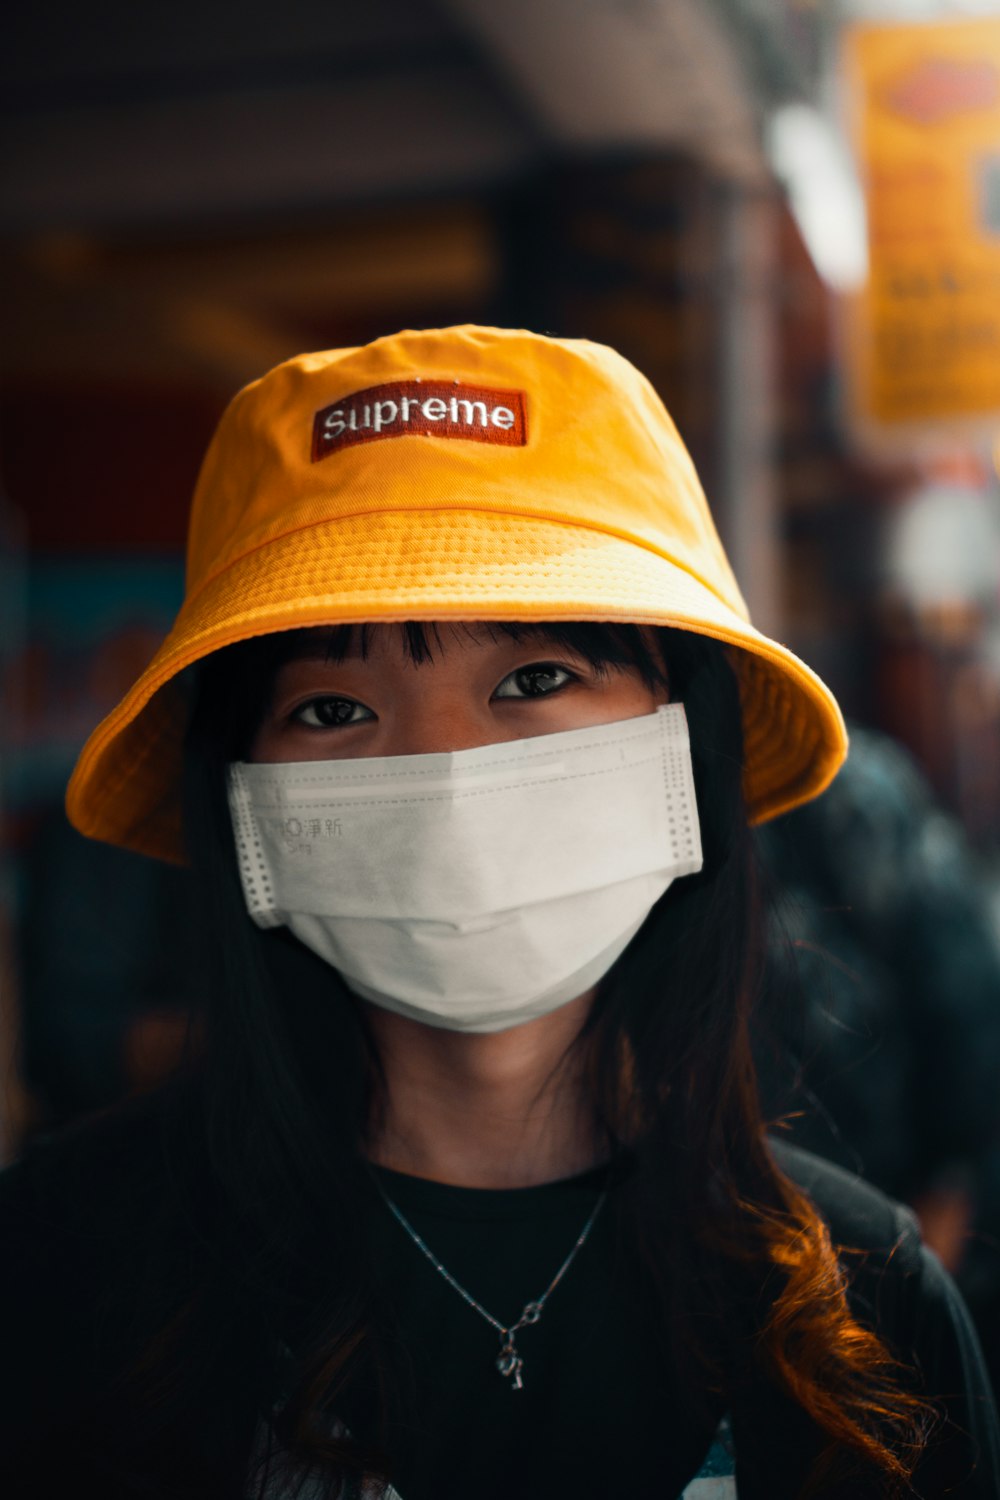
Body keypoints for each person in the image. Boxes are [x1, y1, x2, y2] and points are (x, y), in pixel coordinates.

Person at [2, 325, 997, 1500]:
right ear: (242, 802)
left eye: (532, 680)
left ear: (682, 745)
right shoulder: (58, 1268)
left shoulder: (867, 1305)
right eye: (330, 709)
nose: (444, 779)